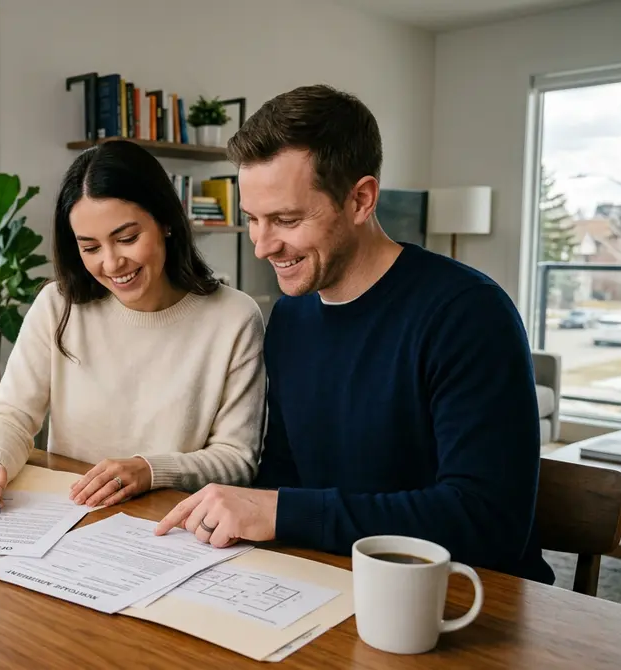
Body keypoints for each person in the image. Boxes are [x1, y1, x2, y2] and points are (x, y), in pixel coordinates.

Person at [156, 84, 554, 584]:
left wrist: (283, 513)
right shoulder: (292, 317)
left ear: (361, 199)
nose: (262, 246)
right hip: (335, 582)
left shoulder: (468, 314)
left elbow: (488, 522)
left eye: (286, 219)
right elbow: (284, 478)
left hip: (465, 601)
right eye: (253, 219)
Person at [0, 140, 266, 512]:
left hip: (171, 524)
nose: (112, 263)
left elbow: (237, 459)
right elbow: (12, 414)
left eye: (127, 238)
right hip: (69, 517)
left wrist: (150, 470)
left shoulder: (234, 317)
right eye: (90, 247)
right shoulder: (59, 305)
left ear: (166, 221)